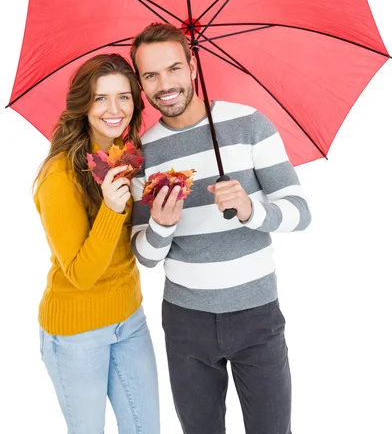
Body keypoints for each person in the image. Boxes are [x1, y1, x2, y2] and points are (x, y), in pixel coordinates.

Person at [130, 23, 312, 434]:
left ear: (193, 66)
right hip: (185, 322)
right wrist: (161, 225)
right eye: (151, 75)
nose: (165, 84)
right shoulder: (142, 154)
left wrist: (251, 209)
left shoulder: (248, 123)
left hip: (257, 315)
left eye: (174, 68)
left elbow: (301, 212)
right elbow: (145, 256)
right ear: (140, 82)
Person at [34, 54, 160, 434]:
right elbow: (82, 273)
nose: (114, 109)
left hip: (130, 320)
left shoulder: (128, 157)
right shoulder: (59, 175)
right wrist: (110, 208)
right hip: (76, 331)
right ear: (82, 105)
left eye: (124, 97)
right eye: (100, 98)